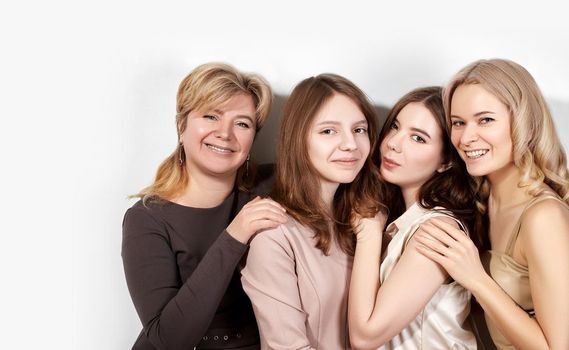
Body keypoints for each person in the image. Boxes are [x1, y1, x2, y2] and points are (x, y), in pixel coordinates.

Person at [122, 62, 288, 350]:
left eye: (242, 123)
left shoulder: (273, 185)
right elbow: (169, 339)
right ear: (181, 126)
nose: (225, 133)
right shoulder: (147, 219)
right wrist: (235, 235)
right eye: (211, 116)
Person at [414, 58, 569, 350]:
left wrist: (476, 278)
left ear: (524, 122)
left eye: (485, 120)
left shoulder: (543, 217)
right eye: (458, 123)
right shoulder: (481, 201)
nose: (467, 138)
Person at [241, 73, 381, 349]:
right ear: (299, 139)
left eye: (359, 130)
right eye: (329, 131)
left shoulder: (366, 221)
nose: (350, 144)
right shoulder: (274, 235)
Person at [347, 86, 479, 349]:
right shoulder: (403, 220)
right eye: (395, 127)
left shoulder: (437, 230)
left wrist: (369, 234)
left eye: (418, 138)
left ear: (446, 161)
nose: (393, 143)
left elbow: (365, 337)